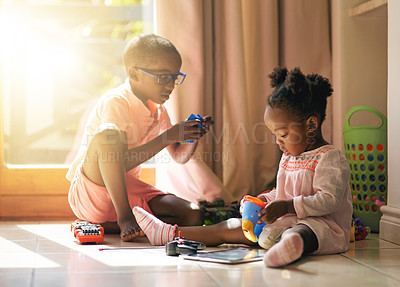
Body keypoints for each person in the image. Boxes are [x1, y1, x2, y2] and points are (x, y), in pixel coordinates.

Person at [132, 66, 353, 268]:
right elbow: (282, 192)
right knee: (230, 226)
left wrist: (287, 207)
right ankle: (169, 233)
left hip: (320, 227)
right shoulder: (289, 157)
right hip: (285, 222)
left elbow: (329, 201)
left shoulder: (329, 158)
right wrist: (265, 200)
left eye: (283, 134)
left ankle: (289, 247)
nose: (278, 142)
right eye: (274, 135)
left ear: (311, 124)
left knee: (301, 231)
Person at [66, 33, 214, 242]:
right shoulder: (117, 101)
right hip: (92, 190)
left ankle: (110, 225)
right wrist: (168, 136)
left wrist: (193, 135)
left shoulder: (159, 111)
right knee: (108, 137)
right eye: (163, 77)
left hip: (127, 188)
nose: (170, 85)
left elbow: (179, 157)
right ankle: (125, 218)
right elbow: (113, 160)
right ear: (134, 74)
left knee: (192, 213)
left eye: (175, 77)